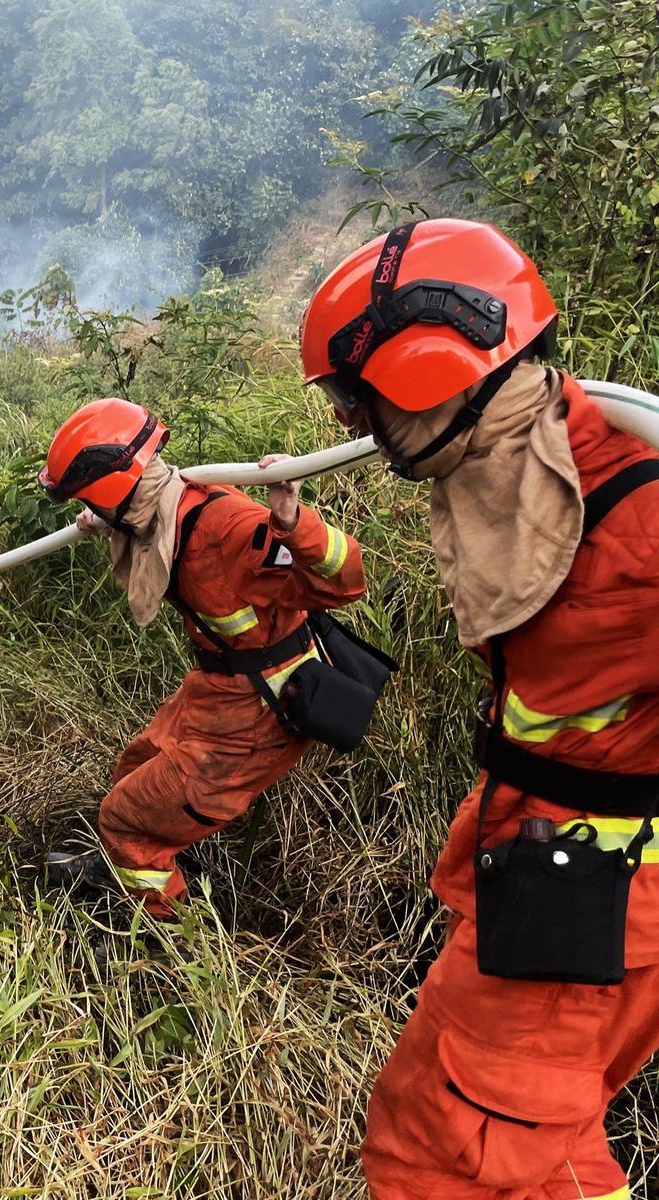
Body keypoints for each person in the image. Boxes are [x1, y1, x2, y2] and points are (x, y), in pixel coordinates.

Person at [300, 216, 659, 1199]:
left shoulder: (638, 524)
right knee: (533, 1141)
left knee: (445, 1159)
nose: (351, 429)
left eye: (358, 399)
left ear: (427, 367)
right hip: (552, 872)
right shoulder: (527, 465)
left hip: (591, 897)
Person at [38, 397, 366, 913]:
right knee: (133, 770)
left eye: (94, 501)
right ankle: (130, 863)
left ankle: (160, 941)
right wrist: (110, 521)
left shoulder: (228, 528)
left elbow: (345, 580)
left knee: (126, 816)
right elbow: (144, 524)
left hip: (262, 713)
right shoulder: (158, 512)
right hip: (218, 690)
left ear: (116, 493)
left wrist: (292, 519)